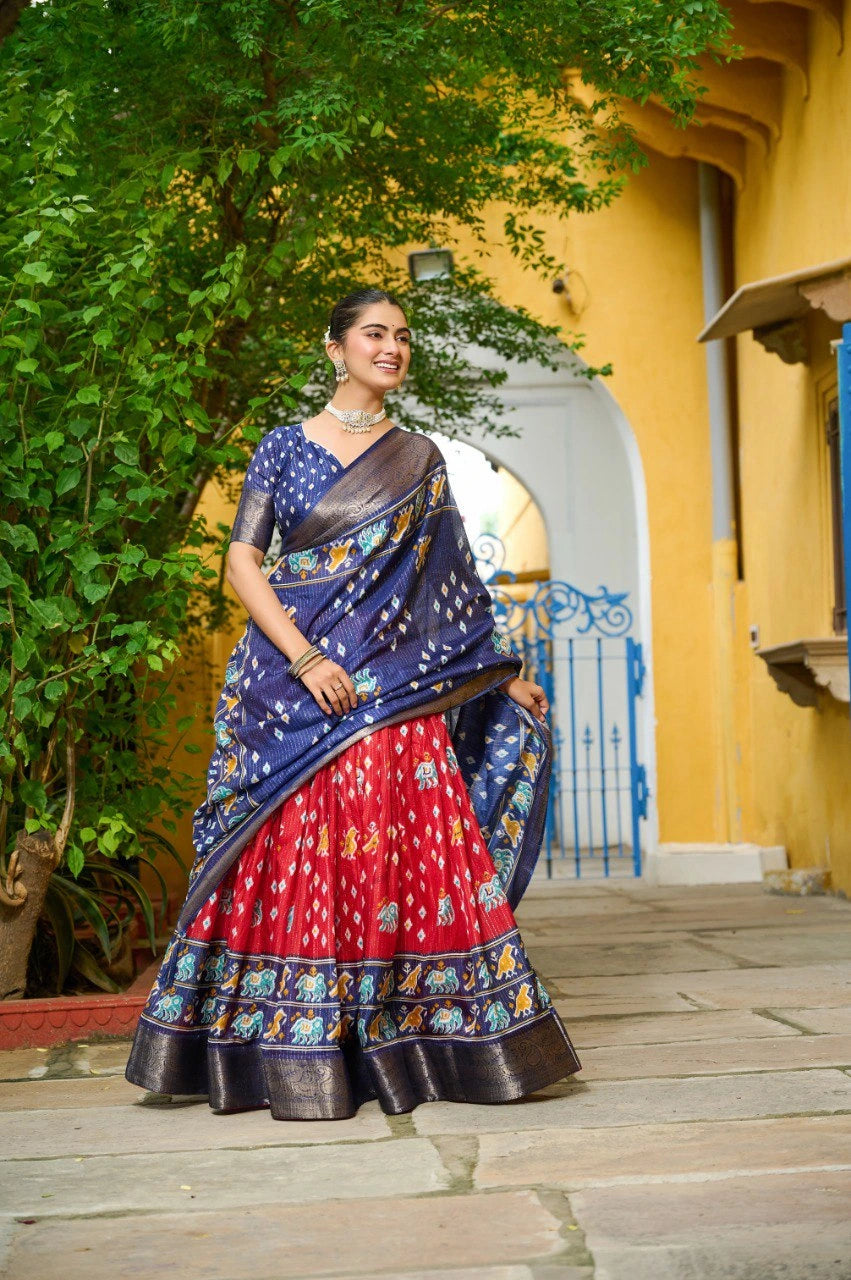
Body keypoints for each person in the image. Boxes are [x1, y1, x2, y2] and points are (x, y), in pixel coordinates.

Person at [125, 287, 582, 1120]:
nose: (392, 347)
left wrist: (497, 674)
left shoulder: (419, 459)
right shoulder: (280, 449)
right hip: (288, 687)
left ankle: (410, 1036)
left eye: (402, 337)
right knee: (286, 847)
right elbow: (242, 565)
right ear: (335, 348)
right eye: (374, 334)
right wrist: (305, 659)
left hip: (392, 695)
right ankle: (281, 1039)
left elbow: (452, 586)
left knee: (395, 844)